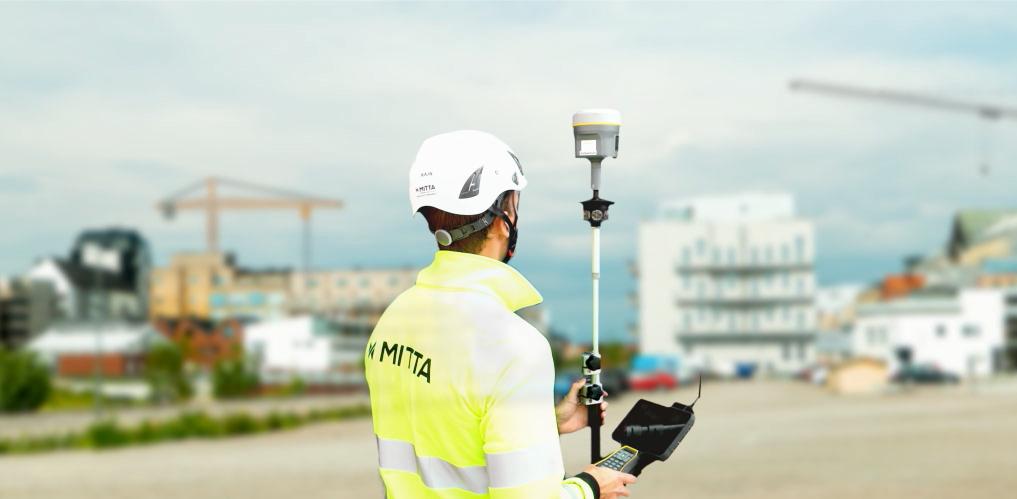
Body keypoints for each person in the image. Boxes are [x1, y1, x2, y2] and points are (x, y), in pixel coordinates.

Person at [365, 130, 637, 498]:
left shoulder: (394, 319)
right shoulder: (514, 347)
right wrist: (590, 486)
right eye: (514, 203)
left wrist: (544, 424)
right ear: (502, 217)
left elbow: (445, 434)